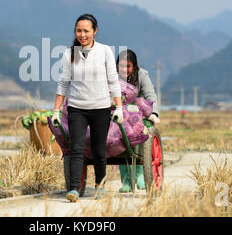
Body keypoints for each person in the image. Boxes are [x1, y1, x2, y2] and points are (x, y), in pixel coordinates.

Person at [52, 14, 123, 202]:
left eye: (86, 31)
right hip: (77, 108)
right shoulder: (69, 54)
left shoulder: (105, 51)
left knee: (99, 150)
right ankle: (74, 189)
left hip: (101, 108)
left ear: (95, 31)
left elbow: (113, 81)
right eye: (78, 30)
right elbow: (63, 84)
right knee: (76, 148)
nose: (82, 34)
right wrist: (56, 110)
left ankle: (100, 185)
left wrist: (119, 108)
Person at [116, 49, 160, 192]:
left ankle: (140, 176)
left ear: (134, 66)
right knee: (117, 137)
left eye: (128, 66)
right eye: (121, 66)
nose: (124, 70)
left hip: (138, 112)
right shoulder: (112, 75)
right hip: (117, 112)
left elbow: (150, 95)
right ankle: (126, 181)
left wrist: (153, 113)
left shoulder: (142, 75)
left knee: (140, 133)